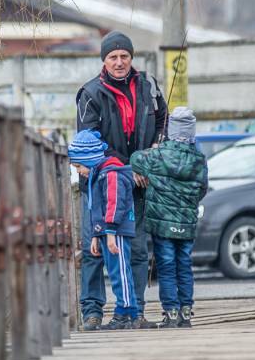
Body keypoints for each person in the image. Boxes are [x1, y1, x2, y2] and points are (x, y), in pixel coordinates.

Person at [75, 30, 168, 330]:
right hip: (103, 185)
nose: (119, 62)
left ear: (131, 58)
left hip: (140, 184)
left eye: (124, 56)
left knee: (138, 248)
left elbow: (162, 121)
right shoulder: (90, 94)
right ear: (104, 60)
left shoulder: (149, 86)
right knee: (96, 247)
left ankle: (135, 310)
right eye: (113, 57)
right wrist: (130, 169)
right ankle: (92, 311)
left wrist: (153, 152)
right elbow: (90, 141)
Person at [129, 107, 208, 328]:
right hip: (187, 222)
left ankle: (171, 312)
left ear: (170, 130)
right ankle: (186, 312)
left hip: (162, 223)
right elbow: (203, 189)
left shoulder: (158, 155)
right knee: (184, 265)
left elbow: (135, 159)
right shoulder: (199, 160)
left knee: (166, 266)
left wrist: (155, 145)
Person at [68, 129, 139, 330]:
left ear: (90, 159)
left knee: (120, 273)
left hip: (116, 232)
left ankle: (125, 313)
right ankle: (127, 312)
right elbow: (96, 210)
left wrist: (108, 233)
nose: (79, 172)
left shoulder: (111, 174)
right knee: (117, 272)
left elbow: (114, 205)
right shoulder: (99, 175)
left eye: (79, 166)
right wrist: (96, 235)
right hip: (107, 232)